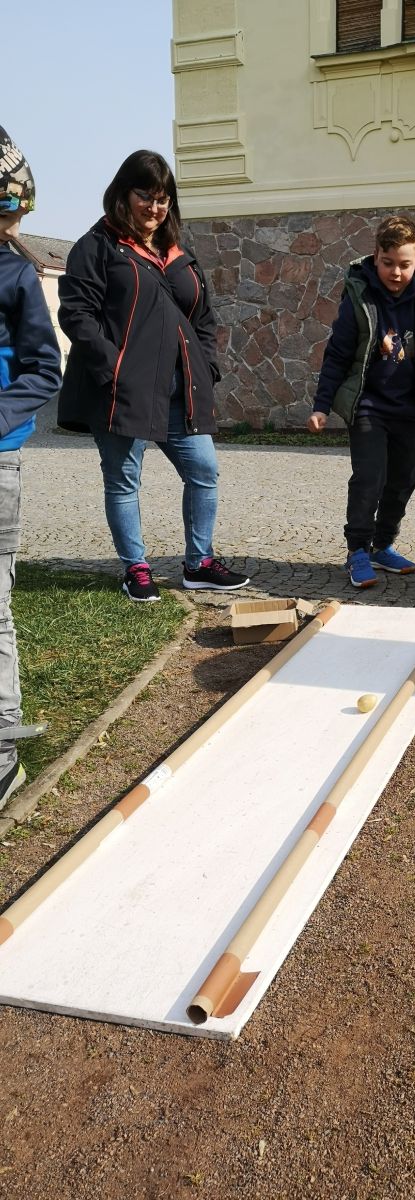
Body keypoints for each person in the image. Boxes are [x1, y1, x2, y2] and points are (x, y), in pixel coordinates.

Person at [57, 150, 249, 602]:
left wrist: (208, 364)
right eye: (146, 196)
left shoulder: (178, 252)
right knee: (124, 479)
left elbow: (203, 318)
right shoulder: (97, 246)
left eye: (163, 199)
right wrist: (114, 368)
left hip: (182, 389)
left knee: (203, 471)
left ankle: (199, 564)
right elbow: (77, 314)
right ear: (124, 194)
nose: (155, 207)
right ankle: (136, 568)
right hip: (122, 390)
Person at [307, 214, 415, 588]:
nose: (396, 272)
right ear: (376, 257)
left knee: (406, 473)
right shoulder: (360, 297)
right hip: (368, 407)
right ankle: (357, 549)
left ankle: (382, 544)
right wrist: (321, 406)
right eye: (388, 263)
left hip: (406, 408)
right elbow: (337, 355)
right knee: (370, 476)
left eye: (404, 264)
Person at [0, 126, 62, 810]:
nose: (12, 229)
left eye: (14, 218)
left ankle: (2, 753)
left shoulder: (15, 275)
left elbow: (45, 369)